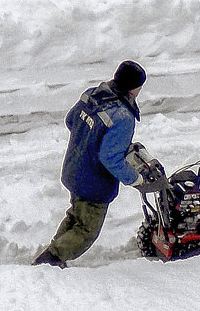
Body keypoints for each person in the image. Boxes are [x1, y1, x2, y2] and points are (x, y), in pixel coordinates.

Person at [33, 60, 156, 268]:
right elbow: (111, 158)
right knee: (86, 230)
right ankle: (51, 259)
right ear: (134, 88)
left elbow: (71, 120)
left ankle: (54, 252)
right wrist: (136, 179)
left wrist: (89, 139)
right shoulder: (123, 117)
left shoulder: (92, 94)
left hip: (74, 168)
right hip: (94, 182)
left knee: (75, 216)